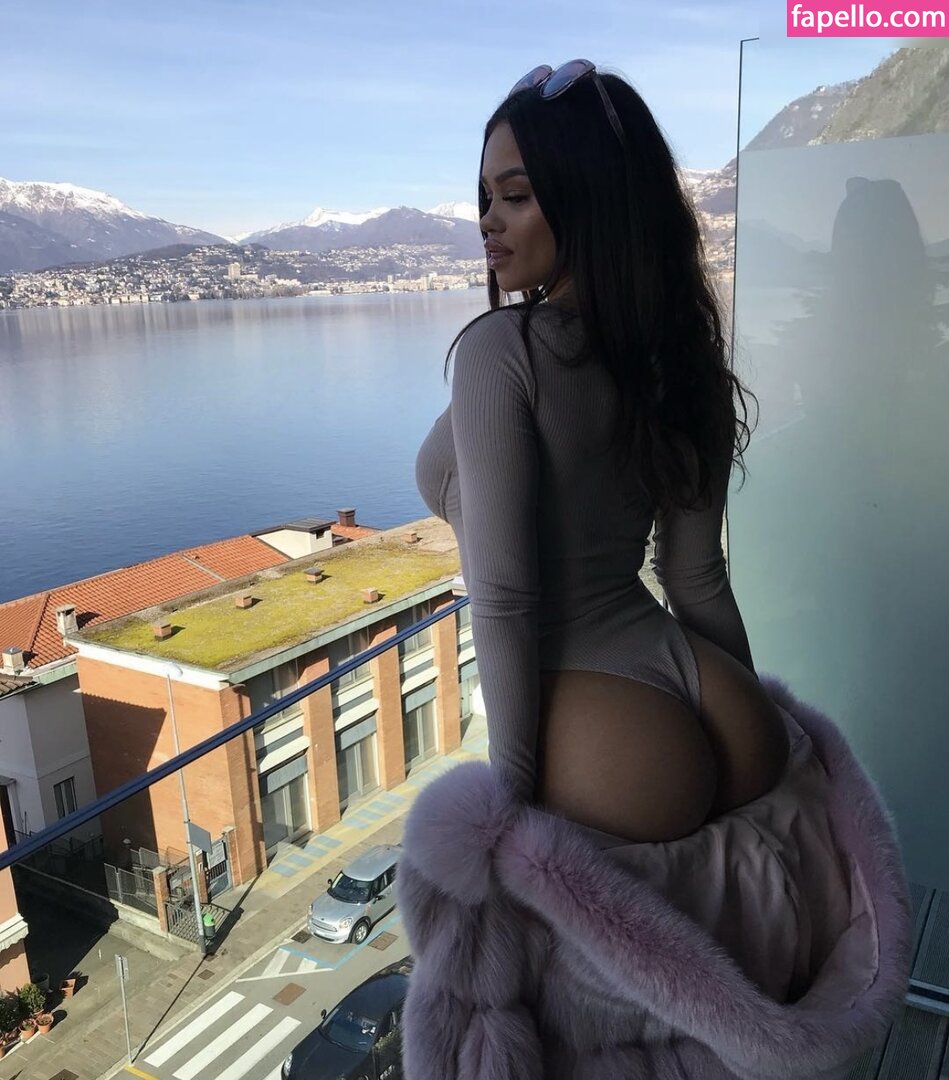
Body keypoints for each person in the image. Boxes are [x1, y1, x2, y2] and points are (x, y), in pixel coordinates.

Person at [415, 60, 791, 843]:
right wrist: (749, 716)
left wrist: (504, 815)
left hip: (612, 733)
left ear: (592, 199)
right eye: (485, 198)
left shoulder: (502, 351)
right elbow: (695, 577)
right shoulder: (682, 359)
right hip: (711, 691)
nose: (487, 221)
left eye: (516, 196)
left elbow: (506, 599)